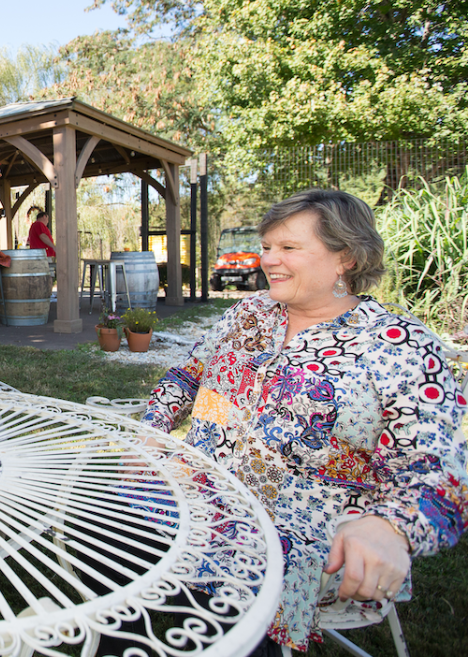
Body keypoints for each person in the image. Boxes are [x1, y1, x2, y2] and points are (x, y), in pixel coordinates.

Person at [140, 189, 468, 654]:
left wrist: (393, 528)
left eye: (289, 248)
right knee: (104, 528)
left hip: (299, 531)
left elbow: (445, 469)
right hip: (197, 490)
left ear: (346, 258)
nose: (269, 259)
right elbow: (185, 374)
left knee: (229, 615)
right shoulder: (248, 313)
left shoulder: (397, 344)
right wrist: (152, 430)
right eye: (268, 246)